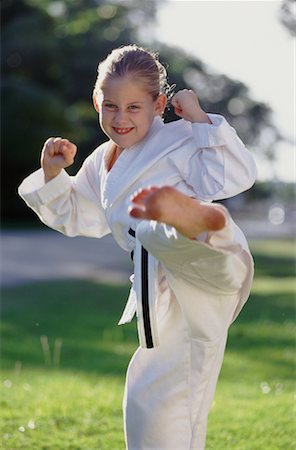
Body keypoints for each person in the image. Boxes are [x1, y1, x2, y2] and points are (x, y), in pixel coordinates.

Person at [18, 44, 257, 449]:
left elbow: (235, 175)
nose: (120, 118)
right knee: (149, 403)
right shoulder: (100, 163)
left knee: (172, 239)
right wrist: (53, 173)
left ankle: (196, 222)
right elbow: (79, 215)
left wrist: (200, 118)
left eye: (133, 107)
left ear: (159, 104)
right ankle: (183, 224)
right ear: (97, 101)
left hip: (206, 264)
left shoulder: (181, 137)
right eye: (111, 106)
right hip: (164, 293)